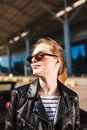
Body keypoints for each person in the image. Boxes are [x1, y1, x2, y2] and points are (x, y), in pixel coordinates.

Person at [5, 38, 80, 130]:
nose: (33, 60)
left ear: (57, 61)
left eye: (40, 55)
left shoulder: (72, 98)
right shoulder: (19, 95)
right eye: (31, 57)